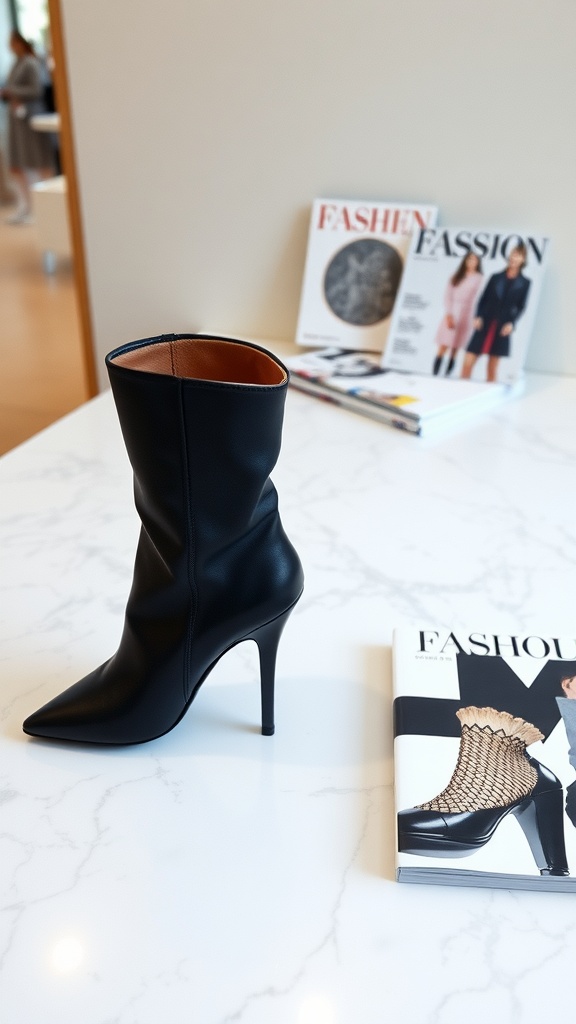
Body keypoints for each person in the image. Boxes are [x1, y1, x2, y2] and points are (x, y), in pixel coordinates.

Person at [0, 30, 56, 224]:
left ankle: (40, 208)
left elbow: (36, 89)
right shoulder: (16, 63)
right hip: (17, 120)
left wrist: (11, 91)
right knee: (18, 163)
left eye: (12, 42)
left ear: (20, 43)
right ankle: (26, 206)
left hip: (31, 118)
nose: (10, 46)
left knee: (37, 161)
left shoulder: (30, 63)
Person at [461, 244, 531, 383]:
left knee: (492, 368)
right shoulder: (495, 277)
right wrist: (478, 316)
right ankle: (461, 389)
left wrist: (512, 324)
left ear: (523, 259)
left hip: (502, 326)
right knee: (468, 362)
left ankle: (488, 395)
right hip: (485, 322)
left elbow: (521, 307)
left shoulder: (525, 282)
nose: (513, 258)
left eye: (517, 255)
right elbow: (483, 299)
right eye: (512, 254)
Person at [432, 251, 483, 376]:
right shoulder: (455, 276)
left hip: (468, 312)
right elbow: (447, 296)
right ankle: (435, 372)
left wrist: (476, 316)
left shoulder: (479, 278)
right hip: (453, 310)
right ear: (465, 261)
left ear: (478, 263)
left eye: (474, 260)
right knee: (444, 344)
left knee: (456, 346)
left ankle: (448, 374)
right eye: (469, 259)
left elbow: (479, 297)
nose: (472, 262)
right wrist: (449, 314)